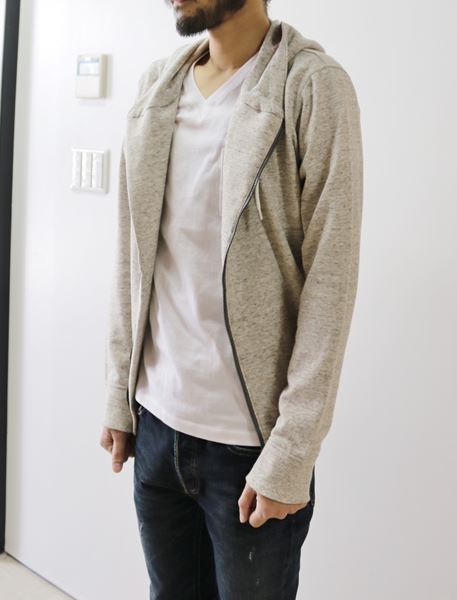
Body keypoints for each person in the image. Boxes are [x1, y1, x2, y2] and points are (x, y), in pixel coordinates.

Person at [100, 0, 363, 597]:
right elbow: (131, 254)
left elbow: (332, 280)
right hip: (157, 425)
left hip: (250, 450)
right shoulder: (157, 88)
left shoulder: (312, 86)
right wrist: (119, 392)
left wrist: (292, 452)